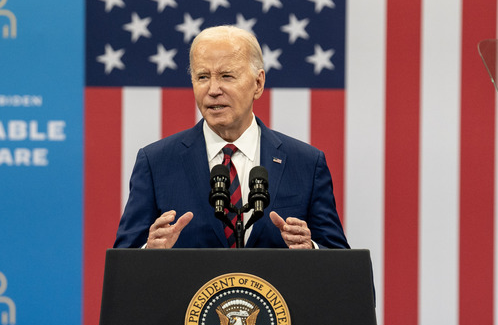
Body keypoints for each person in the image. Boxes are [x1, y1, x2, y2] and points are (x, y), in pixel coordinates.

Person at [113, 25, 349, 250]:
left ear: (258, 83)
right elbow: (122, 264)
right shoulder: (156, 163)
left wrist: (312, 250)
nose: (213, 89)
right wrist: (148, 252)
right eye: (203, 77)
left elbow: (343, 266)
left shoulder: (306, 164)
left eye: (226, 76)